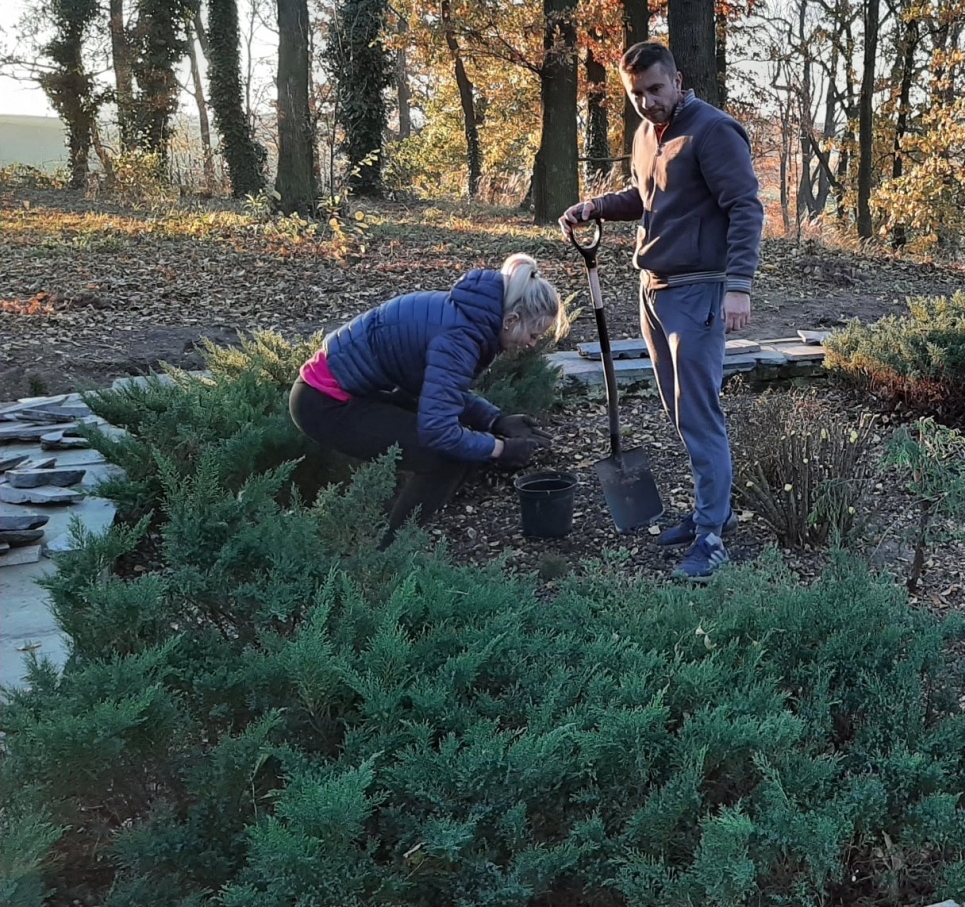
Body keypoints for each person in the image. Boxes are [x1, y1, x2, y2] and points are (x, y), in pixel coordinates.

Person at [560, 40, 763, 580]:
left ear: (677, 79)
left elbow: (745, 207)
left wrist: (739, 285)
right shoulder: (648, 135)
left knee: (699, 416)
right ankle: (707, 512)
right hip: (654, 289)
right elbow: (648, 196)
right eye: (636, 94)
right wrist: (595, 206)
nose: (647, 102)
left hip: (698, 291)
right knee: (679, 412)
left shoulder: (713, 131)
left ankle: (713, 534)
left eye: (655, 89)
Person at [289, 254, 568, 547]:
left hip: (358, 392)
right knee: (446, 457)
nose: (532, 345)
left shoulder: (468, 315)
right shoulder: (461, 336)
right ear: (511, 320)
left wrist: (494, 419)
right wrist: (501, 449)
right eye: (534, 335)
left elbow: (440, 392)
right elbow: (439, 430)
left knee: (462, 447)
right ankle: (389, 557)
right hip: (325, 402)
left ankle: (383, 533)